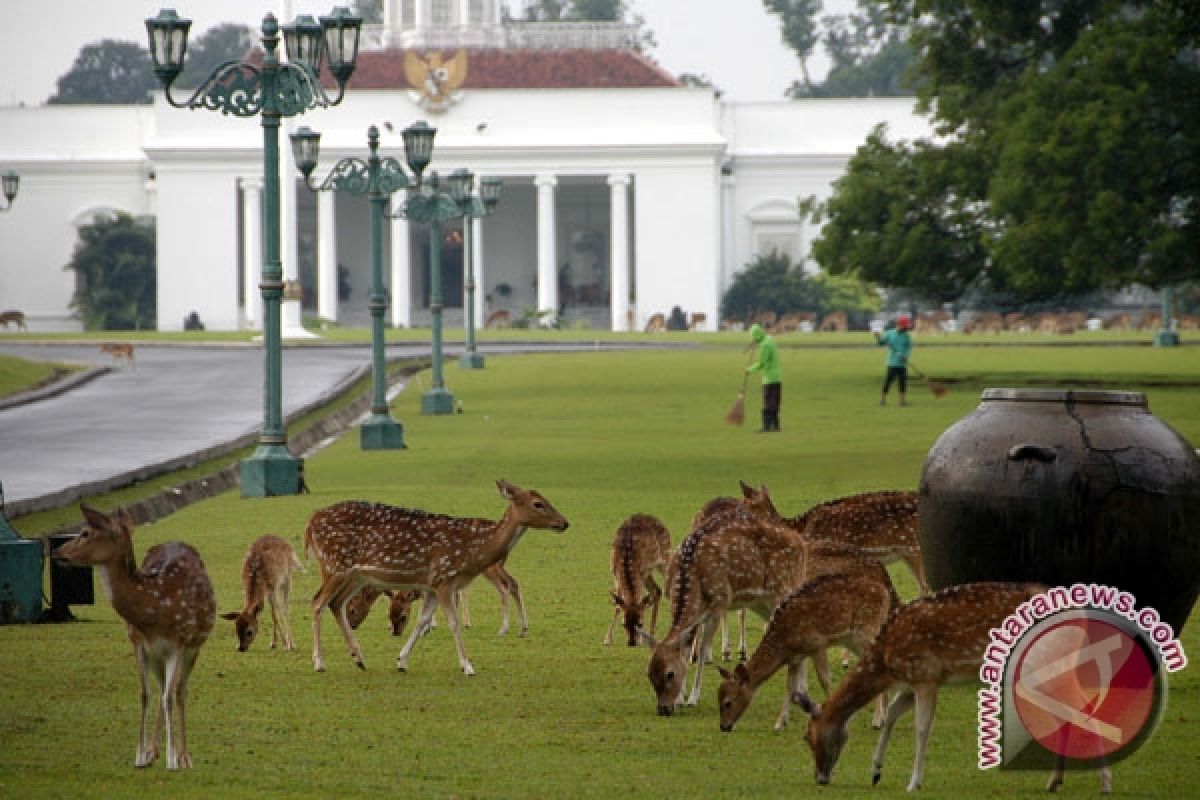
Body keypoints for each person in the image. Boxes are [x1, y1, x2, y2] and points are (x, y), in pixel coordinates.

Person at [746, 323, 782, 431]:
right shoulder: (769, 339)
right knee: (775, 401)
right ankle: (775, 426)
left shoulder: (764, 345)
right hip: (777, 376)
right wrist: (757, 341)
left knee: (768, 401)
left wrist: (749, 370)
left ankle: (766, 426)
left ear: (756, 335)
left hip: (769, 377)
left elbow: (762, 363)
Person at [875, 314, 913, 406]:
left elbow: (909, 348)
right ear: (900, 324)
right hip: (892, 363)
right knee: (888, 382)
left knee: (902, 383)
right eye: (905, 326)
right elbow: (880, 343)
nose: (906, 328)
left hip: (902, 364)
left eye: (907, 326)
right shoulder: (889, 333)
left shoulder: (907, 336)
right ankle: (882, 400)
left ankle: (902, 401)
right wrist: (878, 337)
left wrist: (905, 356)